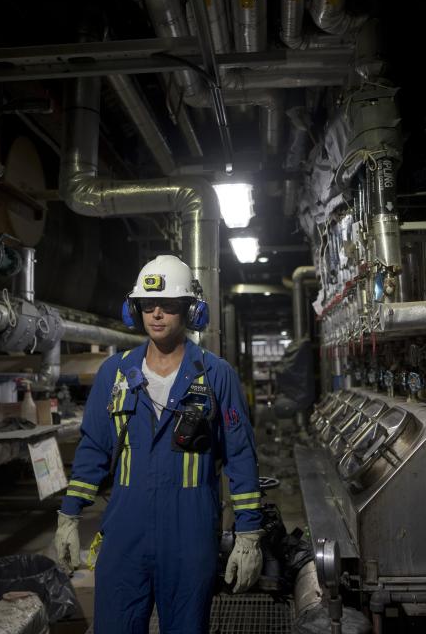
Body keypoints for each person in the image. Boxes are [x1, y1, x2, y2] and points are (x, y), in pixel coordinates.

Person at [53, 255, 262, 633]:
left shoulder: (216, 375)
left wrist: (249, 534)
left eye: (169, 305)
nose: (157, 314)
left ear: (191, 312)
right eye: (148, 305)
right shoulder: (115, 373)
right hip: (124, 528)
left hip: (190, 530)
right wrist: (69, 514)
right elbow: (93, 449)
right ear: (135, 310)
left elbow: (241, 455)